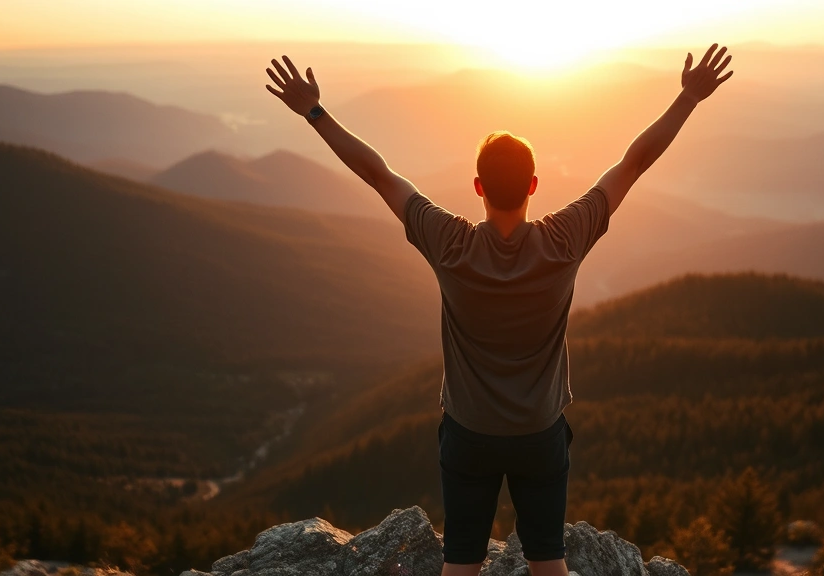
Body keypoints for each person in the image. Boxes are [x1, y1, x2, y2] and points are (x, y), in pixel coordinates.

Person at [265, 43, 733, 576]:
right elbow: (634, 162)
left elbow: (379, 174)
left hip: (469, 433)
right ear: (533, 186)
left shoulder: (449, 243)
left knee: (462, 559)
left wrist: (314, 112)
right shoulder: (565, 239)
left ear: (477, 187)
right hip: (539, 432)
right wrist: (687, 98)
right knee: (548, 559)